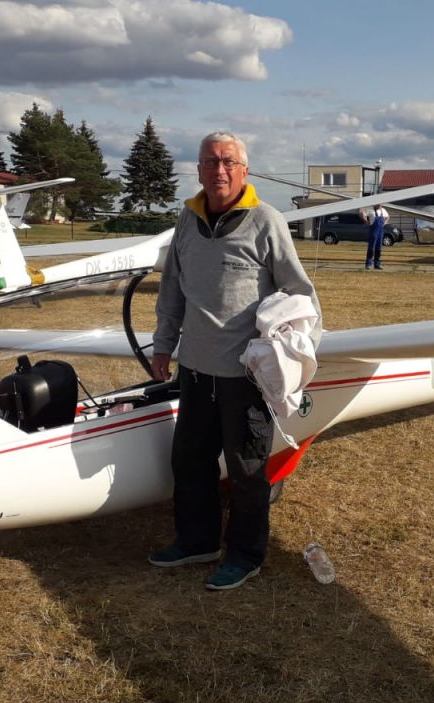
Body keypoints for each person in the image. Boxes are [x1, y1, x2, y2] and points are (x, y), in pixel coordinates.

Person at [149, 131, 322, 591]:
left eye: (228, 162)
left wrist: (298, 356)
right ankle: (198, 541)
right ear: (199, 170)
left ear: (244, 170)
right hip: (195, 368)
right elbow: (172, 289)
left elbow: (301, 294)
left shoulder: (266, 221)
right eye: (210, 162)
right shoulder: (187, 220)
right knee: (190, 460)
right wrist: (163, 345)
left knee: (246, 469)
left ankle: (245, 555)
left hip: (244, 375)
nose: (219, 170)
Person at [360, 203, 389, 269]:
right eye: (378, 204)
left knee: (379, 248)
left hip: (380, 231)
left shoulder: (383, 210)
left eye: (380, 204)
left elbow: (388, 216)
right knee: (371, 247)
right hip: (373, 231)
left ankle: (377, 264)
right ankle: (368, 264)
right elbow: (361, 214)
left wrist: (385, 223)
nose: (379, 205)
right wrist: (366, 221)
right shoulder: (370, 209)